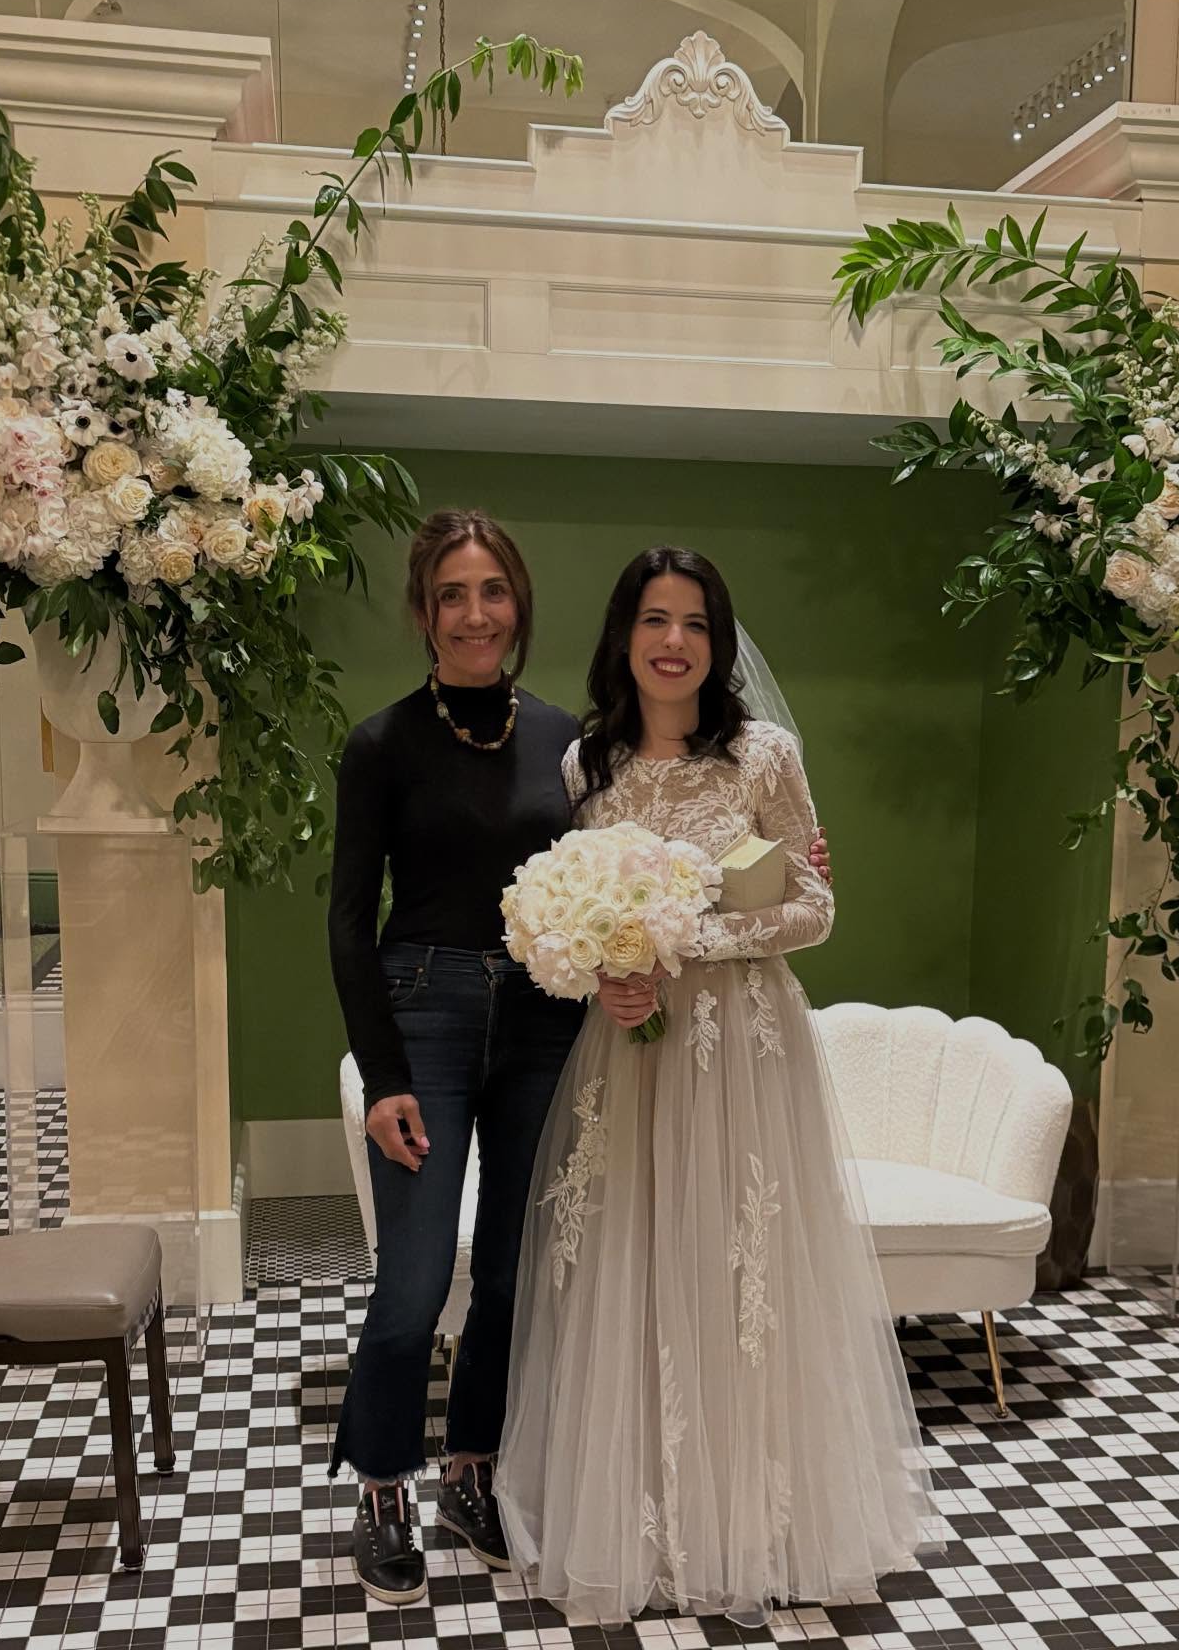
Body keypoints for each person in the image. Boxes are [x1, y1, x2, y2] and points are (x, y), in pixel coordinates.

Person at [327, 511, 831, 1606]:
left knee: (516, 1268)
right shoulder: (382, 745)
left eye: (493, 592)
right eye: (452, 595)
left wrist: (709, 913)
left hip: (550, 1019)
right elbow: (344, 925)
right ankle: (379, 1488)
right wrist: (382, 1075)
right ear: (424, 612)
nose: (475, 614)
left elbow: (650, 884)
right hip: (427, 1016)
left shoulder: (568, 744)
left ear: (521, 607)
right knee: (415, 1281)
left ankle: (472, 1470)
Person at [495, 546, 940, 1626]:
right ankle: (643, 1515)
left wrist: (688, 937)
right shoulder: (585, 769)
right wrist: (613, 972)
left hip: (743, 1046)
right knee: (635, 1258)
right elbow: (581, 919)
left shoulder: (762, 757)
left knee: (741, 1262)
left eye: (696, 622)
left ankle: (760, 1518)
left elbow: (812, 909)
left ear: (720, 640)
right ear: (625, 635)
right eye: (656, 618)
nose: (675, 641)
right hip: (634, 1050)